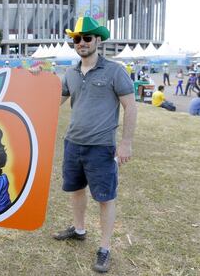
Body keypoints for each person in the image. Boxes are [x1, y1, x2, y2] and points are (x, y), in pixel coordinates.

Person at [49, 16, 137, 273]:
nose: (82, 42)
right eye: (77, 38)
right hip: (72, 143)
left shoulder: (114, 71)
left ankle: (105, 248)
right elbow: (55, 100)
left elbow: (130, 106)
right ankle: (78, 230)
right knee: (75, 190)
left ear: (97, 40)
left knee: (105, 198)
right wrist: (34, 80)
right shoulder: (71, 73)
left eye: (87, 37)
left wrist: (126, 143)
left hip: (101, 147)